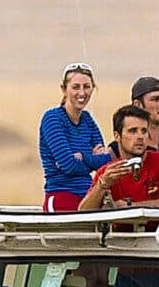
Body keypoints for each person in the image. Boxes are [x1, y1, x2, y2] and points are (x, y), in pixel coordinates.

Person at [83, 105, 159, 212]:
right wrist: (102, 185)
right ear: (117, 136)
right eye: (133, 131)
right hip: (122, 231)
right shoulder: (107, 172)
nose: (140, 136)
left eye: (144, 131)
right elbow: (84, 212)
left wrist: (132, 207)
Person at [37, 62, 110, 212]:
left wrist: (83, 157)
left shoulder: (87, 120)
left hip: (90, 196)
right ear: (64, 90)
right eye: (76, 87)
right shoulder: (53, 119)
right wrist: (92, 159)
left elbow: (105, 163)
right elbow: (68, 165)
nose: (82, 93)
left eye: (87, 87)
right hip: (61, 194)